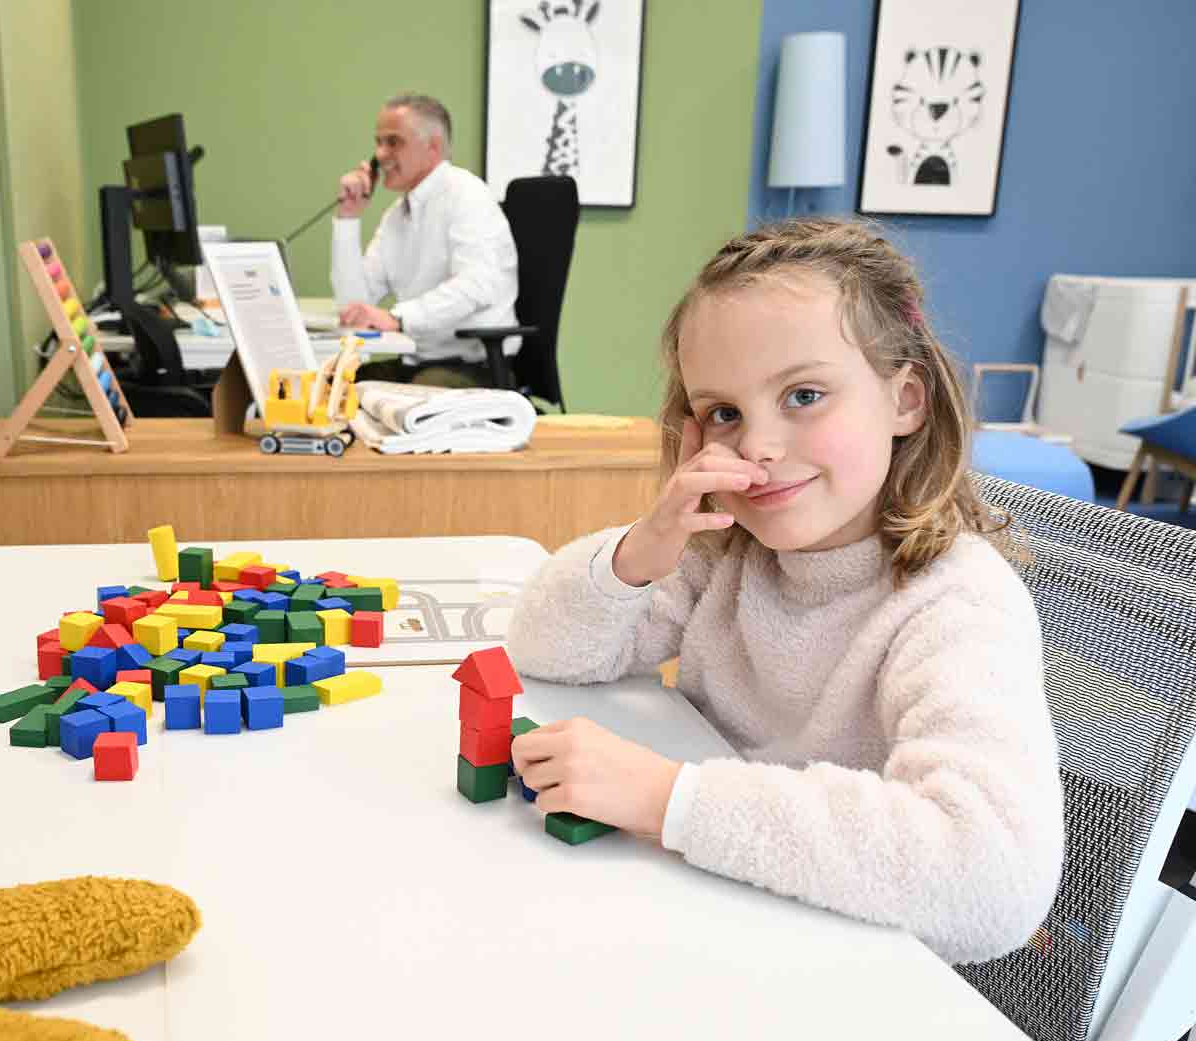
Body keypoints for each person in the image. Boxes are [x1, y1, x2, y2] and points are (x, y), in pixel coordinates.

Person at [504, 217, 1064, 964]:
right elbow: (546, 651)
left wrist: (666, 799)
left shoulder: (958, 602)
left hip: (842, 967)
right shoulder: (731, 553)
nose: (758, 448)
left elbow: (991, 881)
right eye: (723, 414)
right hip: (718, 915)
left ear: (906, 402)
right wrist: (643, 549)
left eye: (804, 394)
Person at [331, 93, 518, 389]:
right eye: (378, 142)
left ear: (433, 147)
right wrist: (348, 218)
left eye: (393, 142)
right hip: (416, 363)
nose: (379, 154)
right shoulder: (396, 215)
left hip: (471, 369)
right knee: (332, 387)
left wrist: (398, 318)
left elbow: (477, 285)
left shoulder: (467, 195)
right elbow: (354, 306)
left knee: (408, 402)